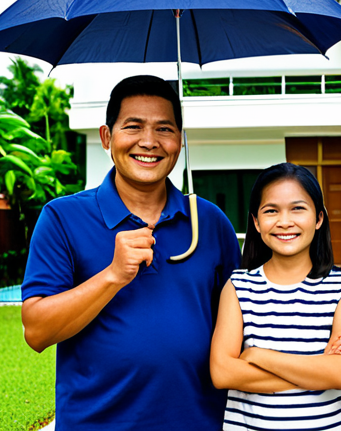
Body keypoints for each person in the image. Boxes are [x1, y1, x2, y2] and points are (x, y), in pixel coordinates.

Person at [21, 75, 241, 431]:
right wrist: (113, 275)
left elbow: (242, 320)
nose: (149, 142)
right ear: (107, 137)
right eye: (133, 127)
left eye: (164, 129)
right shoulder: (62, 218)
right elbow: (36, 332)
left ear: (180, 141)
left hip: (197, 422)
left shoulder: (210, 222)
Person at [209, 163, 341, 431]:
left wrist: (257, 355)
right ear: (256, 222)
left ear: (318, 218)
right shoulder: (238, 287)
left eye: (298, 208)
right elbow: (222, 373)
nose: (284, 221)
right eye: (271, 211)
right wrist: (317, 370)